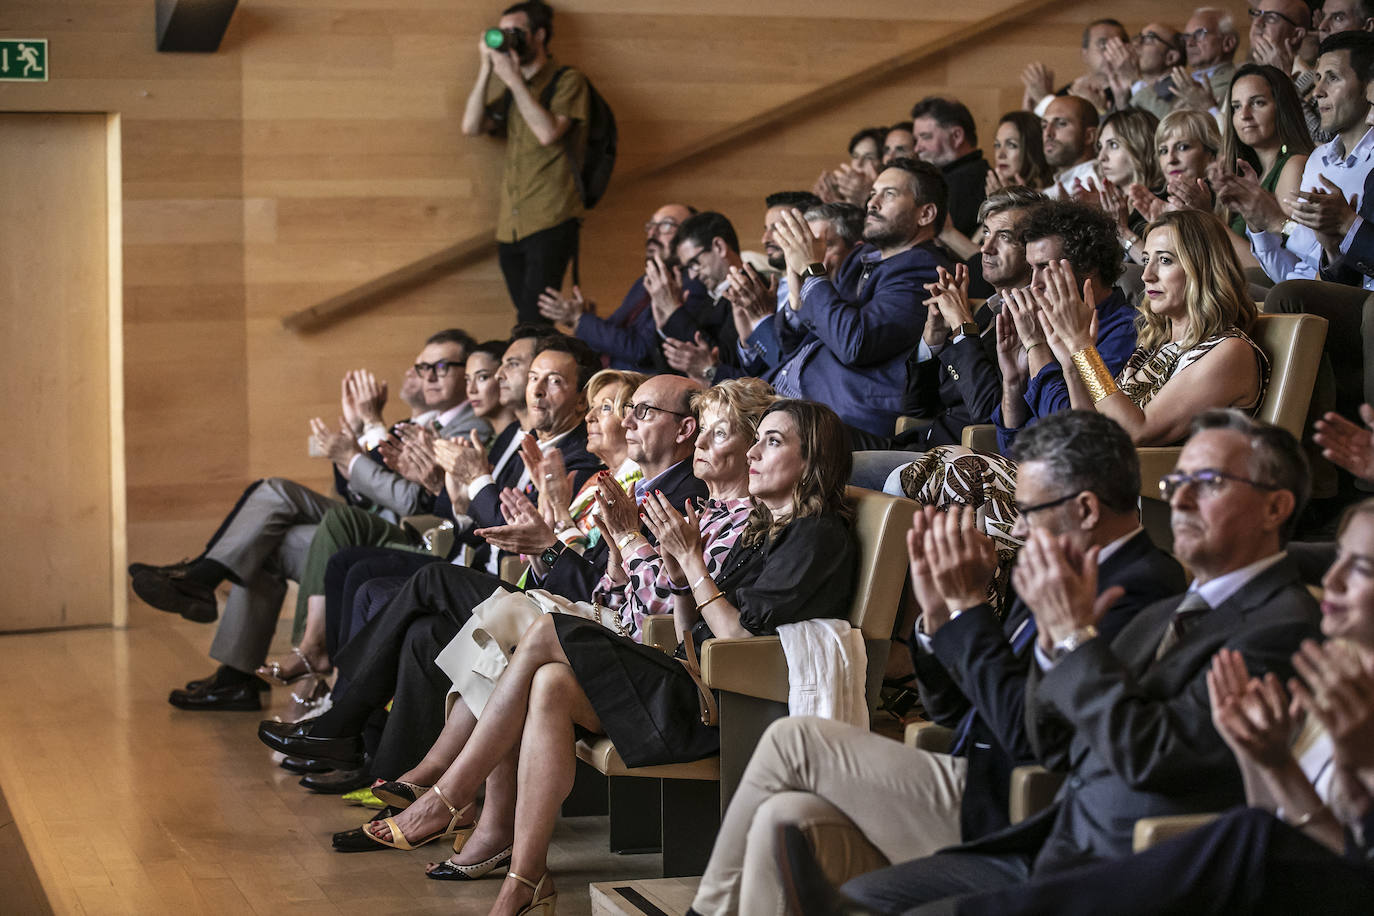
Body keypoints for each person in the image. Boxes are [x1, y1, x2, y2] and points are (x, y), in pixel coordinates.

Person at [350, 400, 859, 915]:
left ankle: (445, 795)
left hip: (723, 706)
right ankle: (524, 879)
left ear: (812, 459)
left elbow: (738, 641)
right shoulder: (756, 526)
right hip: (684, 672)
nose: (753, 451)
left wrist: (683, 562)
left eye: (771, 441)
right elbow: (671, 624)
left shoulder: (813, 534)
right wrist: (672, 573)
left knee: (529, 624)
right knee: (545, 679)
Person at [689, 411, 1185, 916]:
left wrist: (970, 613)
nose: (1017, 525)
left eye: (1030, 510)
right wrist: (937, 616)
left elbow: (1027, 731)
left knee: (793, 740)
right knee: (782, 817)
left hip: (1014, 802)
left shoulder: (1139, 588)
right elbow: (949, 706)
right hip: (967, 767)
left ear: (1083, 510)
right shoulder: (1060, 560)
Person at [840, 410, 1323, 913]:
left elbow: (1153, 757)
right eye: (1177, 480)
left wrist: (1067, 636)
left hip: (1127, 866)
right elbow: (1049, 738)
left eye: (1207, 483)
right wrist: (985, 626)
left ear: (1275, 508)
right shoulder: (1162, 612)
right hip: (1052, 837)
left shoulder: (1281, 627)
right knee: (856, 896)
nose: (1178, 500)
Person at [256, 374, 708, 772]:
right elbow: (604, 577)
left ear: (686, 428)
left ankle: (340, 718)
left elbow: (624, 595)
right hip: (566, 605)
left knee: (430, 581)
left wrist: (555, 541)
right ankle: (382, 773)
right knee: (423, 632)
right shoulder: (626, 486)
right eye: (625, 410)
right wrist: (551, 534)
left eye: (640, 411)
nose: (627, 421)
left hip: (591, 630)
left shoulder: (683, 495)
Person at [132, 330, 487, 711]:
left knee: (274, 499)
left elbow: (415, 504)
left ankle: (204, 582)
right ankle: (234, 672)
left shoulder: (471, 430)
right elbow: (360, 494)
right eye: (422, 367)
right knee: (266, 526)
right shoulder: (413, 423)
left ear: (466, 375)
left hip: (408, 540)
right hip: (367, 525)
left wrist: (361, 442)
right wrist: (351, 446)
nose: (427, 376)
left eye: (439, 367)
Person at [848, 186, 1044, 487]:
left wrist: (963, 328)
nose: (986, 248)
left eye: (1003, 237)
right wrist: (932, 340)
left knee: (829, 465)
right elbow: (915, 408)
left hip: (960, 466)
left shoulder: (1035, 322)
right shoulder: (987, 311)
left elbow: (989, 416)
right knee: (805, 430)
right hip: (916, 444)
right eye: (986, 233)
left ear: (1033, 250)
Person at [767, 158, 949, 437]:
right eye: (873, 193)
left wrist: (813, 271)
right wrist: (796, 288)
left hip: (840, 417)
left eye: (888, 194)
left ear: (925, 214)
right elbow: (796, 341)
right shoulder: (860, 261)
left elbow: (855, 343)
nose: (872, 203)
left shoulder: (922, 270)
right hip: (787, 396)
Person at [462, 1, 590, 324]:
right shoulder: (511, 91)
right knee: (530, 320)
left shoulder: (567, 80)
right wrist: (487, 67)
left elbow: (549, 133)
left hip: (552, 217)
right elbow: (471, 126)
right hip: (511, 226)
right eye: (502, 33)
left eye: (515, 33)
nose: (508, 39)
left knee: (532, 322)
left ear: (540, 35)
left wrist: (515, 80)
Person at [990, 200, 1138, 453]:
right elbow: (1009, 447)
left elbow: (1068, 436)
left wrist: (1036, 348)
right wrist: (1013, 381)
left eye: (1045, 267)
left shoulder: (1126, 331)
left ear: (1088, 268)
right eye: (1031, 268)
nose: (1034, 284)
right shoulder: (1047, 322)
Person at [538, 203, 710, 372]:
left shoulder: (693, 285)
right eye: (651, 225)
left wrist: (581, 320)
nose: (652, 233)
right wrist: (580, 319)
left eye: (666, 225)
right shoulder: (644, 282)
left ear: (690, 236)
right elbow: (617, 334)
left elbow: (641, 350)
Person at [1217, 63, 1313, 237]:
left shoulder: (1294, 165)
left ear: (1282, 108)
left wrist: (1205, 220)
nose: (1244, 115)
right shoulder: (1249, 173)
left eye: (1257, 103)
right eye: (1236, 106)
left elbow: (1283, 257)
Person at [911, 96, 990, 237]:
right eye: (917, 139)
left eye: (926, 137)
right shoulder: (949, 178)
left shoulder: (967, 181)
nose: (917, 148)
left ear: (956, 136)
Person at [1021, 19, 1131, 115]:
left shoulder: (1133, 92)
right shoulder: (1065, 93)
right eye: (1103, 43)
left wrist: (1044, 100)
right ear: (1085, 54)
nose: (1111, 50)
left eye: (1118, 44)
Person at [1107, 23, 1187, 119]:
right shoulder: (1133, 89)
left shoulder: (1184, 91)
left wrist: (1133, 80)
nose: (1136, 44)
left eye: (1149, 38)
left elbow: (1164, 125)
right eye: (1139, 37)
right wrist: (1121, 102)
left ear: (1171, 57)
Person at [1040, 95, 1100, 198]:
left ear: (1089, 136)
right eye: (1044, 126)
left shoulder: (1098, 186)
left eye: (1061, 124)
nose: (1048, 133)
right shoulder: (1047, 194)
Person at [988, 111, 1053, 192]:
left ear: (1032, 149)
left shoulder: (1051, 195)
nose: (1000, 155)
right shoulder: (991, 188)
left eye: (1011, 145)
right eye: (997, 145)